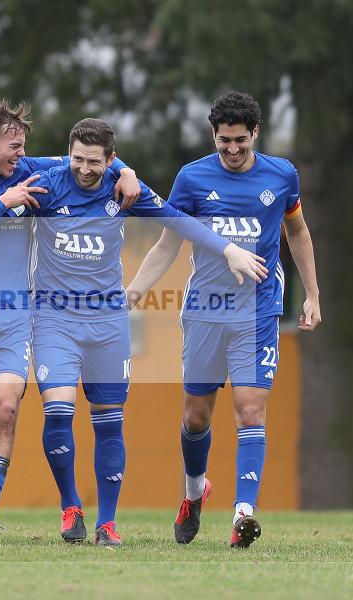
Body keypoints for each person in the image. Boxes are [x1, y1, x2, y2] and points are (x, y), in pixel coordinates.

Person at [27, 118, 266, 546]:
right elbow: (2, 167)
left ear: (111, 160)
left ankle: (108, 524)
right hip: (54, 319)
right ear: (69, 155)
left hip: (107, 321)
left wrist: (228, 249)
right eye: (77, 159)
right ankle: (70, 507)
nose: (84, 169)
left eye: (94, 162)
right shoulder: (46, 183)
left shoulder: (123, 189)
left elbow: (179, 222)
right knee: (59, 411)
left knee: (110, 422)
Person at [0, 99, 139, 544]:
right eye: (13, 147)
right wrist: (3, 203)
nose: (21, 155)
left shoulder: (28, 167)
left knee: (6, 410)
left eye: (23, 146)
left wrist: (127, 172)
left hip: (14, 316)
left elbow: (89, 156)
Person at [125, 92, 321, 548]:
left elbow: (298, 231)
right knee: (196, 418)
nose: (231, 150)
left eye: (239, 141)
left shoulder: (281, 175)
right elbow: (168, 244)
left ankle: (242, 516)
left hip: (257, 311)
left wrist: (312, 294)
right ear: (213, 136)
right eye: (222, 141)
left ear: (255, 134)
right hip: (205, 312)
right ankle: (194, 494)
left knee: (250, 409)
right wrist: (135, 289)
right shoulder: (192, 178)